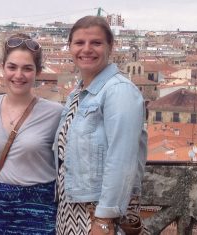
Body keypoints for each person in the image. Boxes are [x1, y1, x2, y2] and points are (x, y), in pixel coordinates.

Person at [55, 16, 146, 235]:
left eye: (96, 43)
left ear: (110, 47)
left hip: (97, 214)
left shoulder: (119, 91)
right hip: (71, 212)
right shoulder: (78, 93)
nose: (86, 49)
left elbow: (122, 160)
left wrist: (104, 220)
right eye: (79, 43)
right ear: (69, 47)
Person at [0, 34, 63, 234]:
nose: (18, 75)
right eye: (12, 67)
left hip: (41, 209)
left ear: (38, 72)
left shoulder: (55, 112)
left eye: (27, 68)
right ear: (3, 68)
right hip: (0, 206)